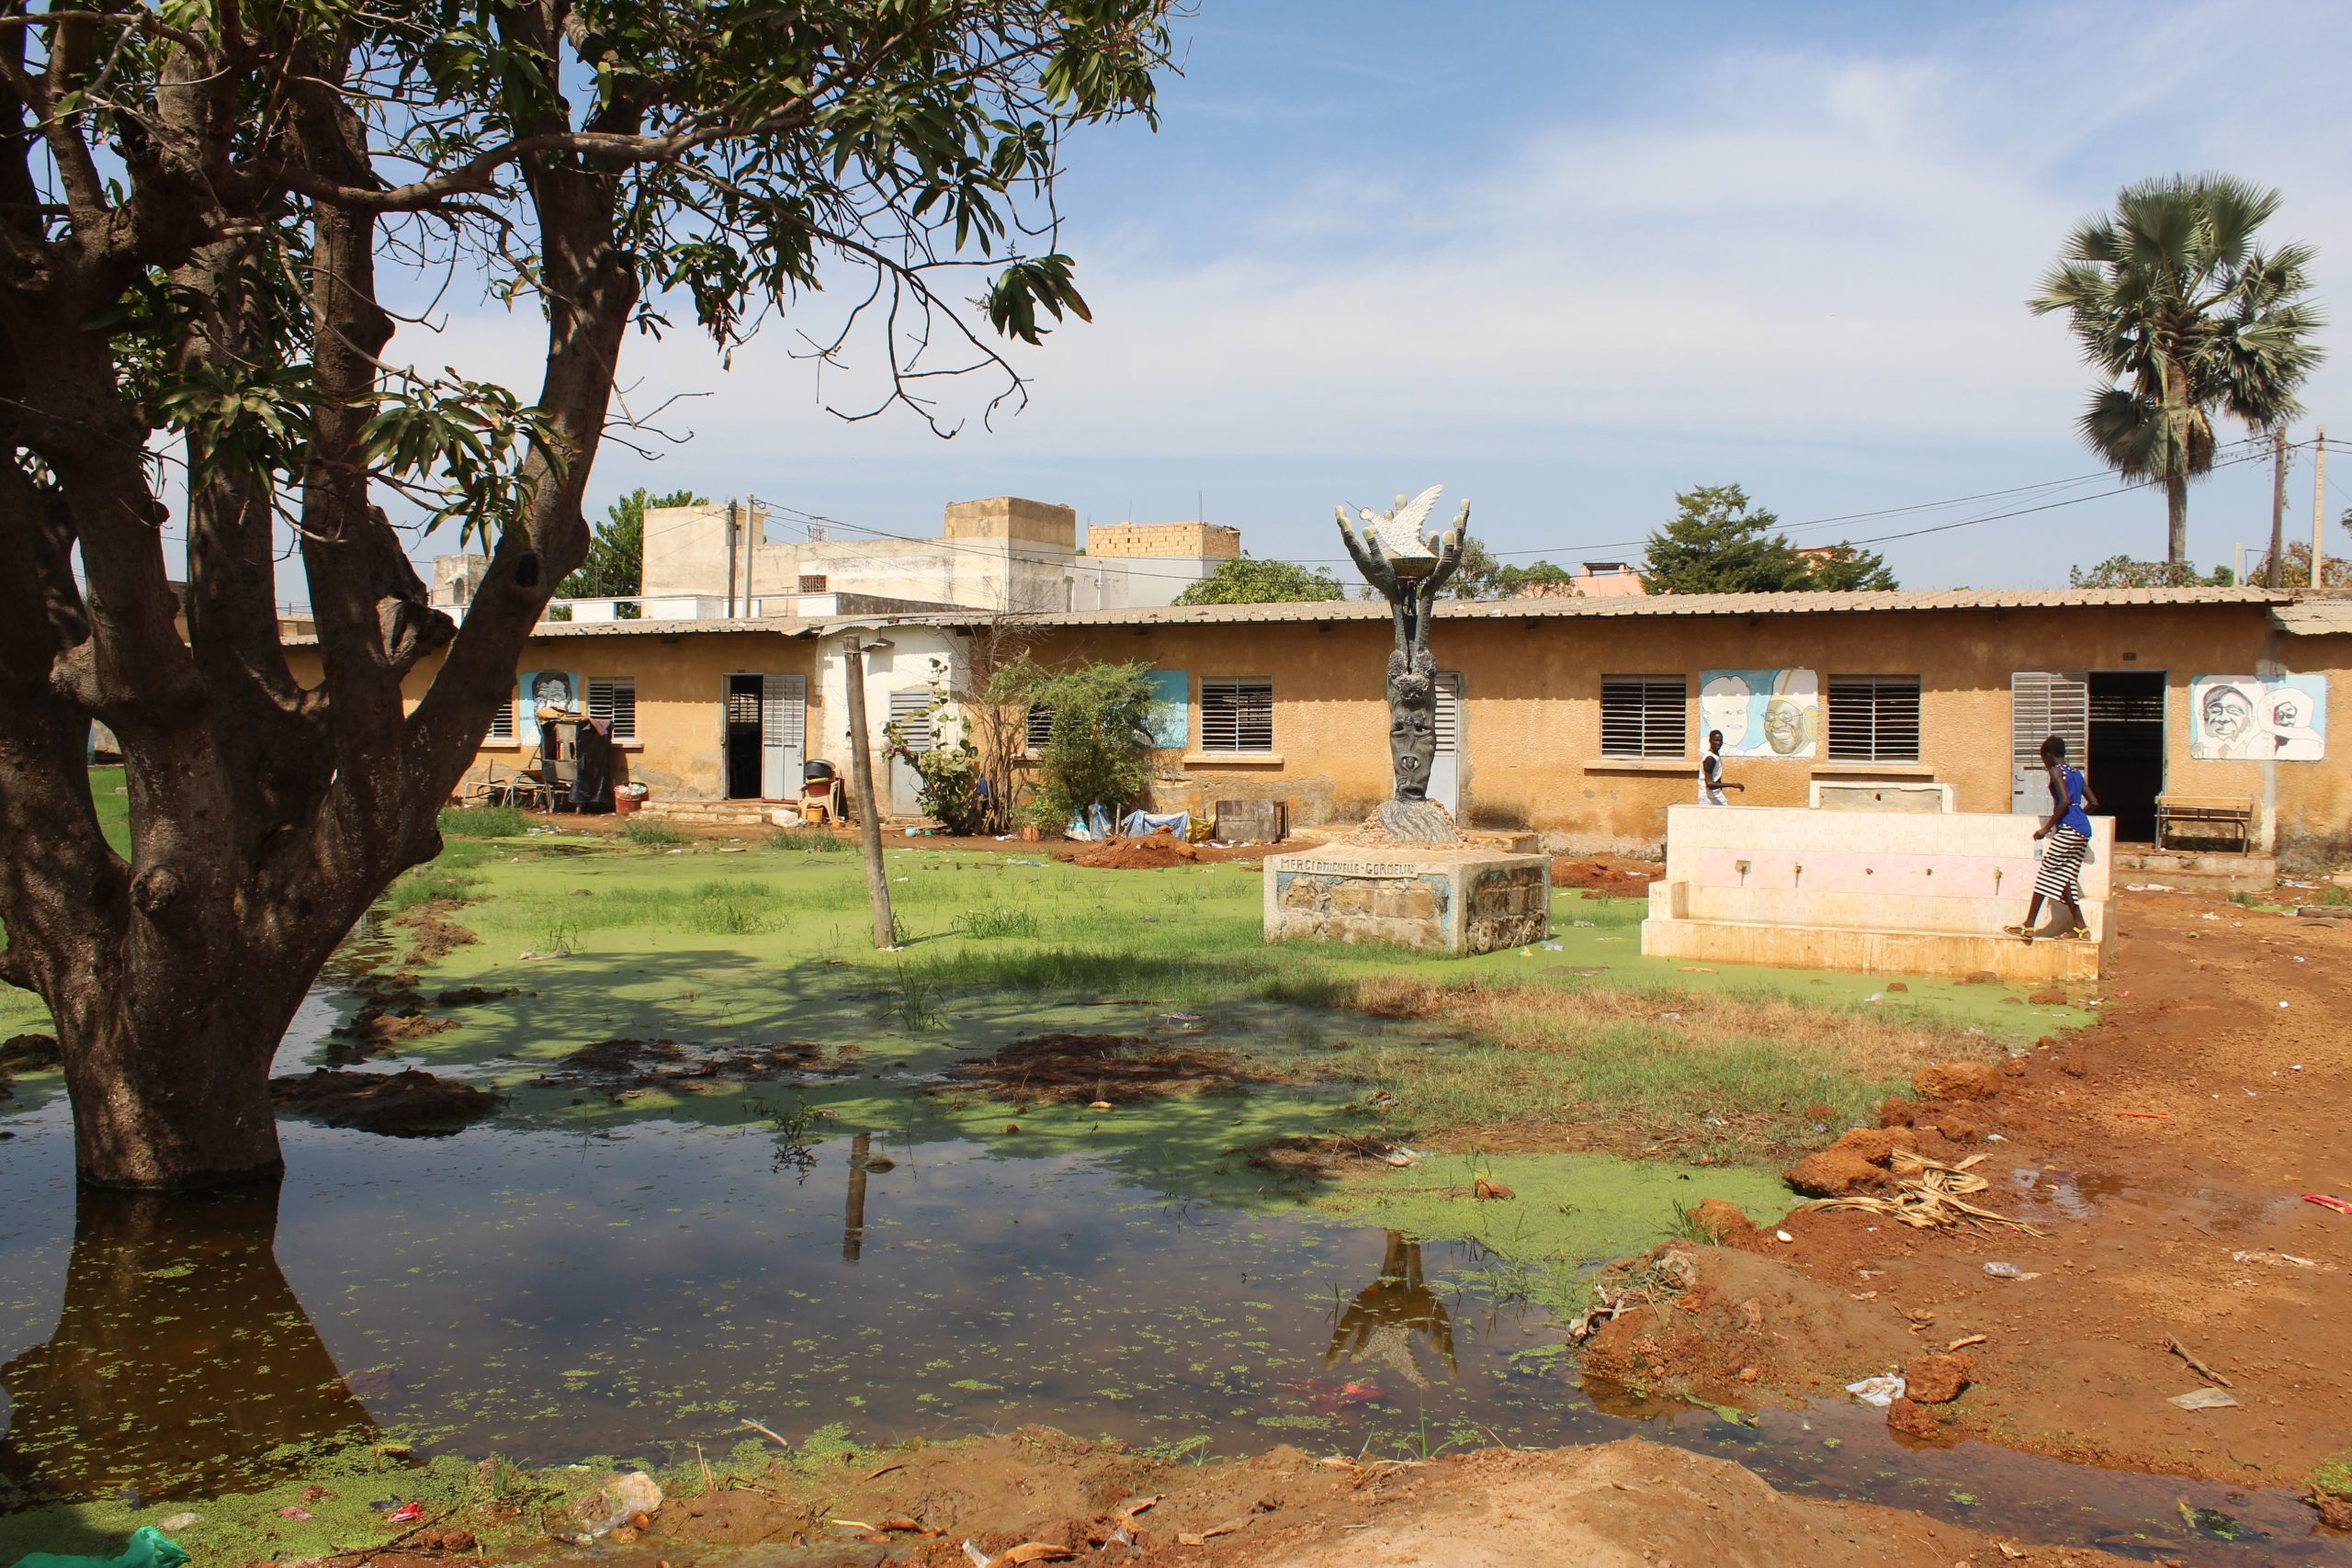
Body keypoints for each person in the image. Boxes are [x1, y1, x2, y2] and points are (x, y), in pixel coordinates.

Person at [2005, 735, 2097, 942]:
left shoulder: (2056, 771)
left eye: (2043, 759)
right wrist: (2078, 816)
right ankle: (2081, 928)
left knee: (2046, 872)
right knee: (2065, 878)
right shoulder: (2076, 773)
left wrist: (2045, 829)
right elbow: (2093, 802)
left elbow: (2063, 801)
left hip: (2070, 829)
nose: (2044, 764)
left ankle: (2028, 925)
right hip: (2083, 830)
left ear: (2048, 755)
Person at [1699, 729, 1744, 806]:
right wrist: (1732, 785)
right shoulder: (1710, 758)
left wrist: (1720, 785)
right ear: (1710, 741)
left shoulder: (1715, 755)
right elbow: (1709, 783)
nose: (1718, 743)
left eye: (1720, 741)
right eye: (1716, 740)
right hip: (1708, 797)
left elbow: (1716, 775)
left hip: (1715, 794)